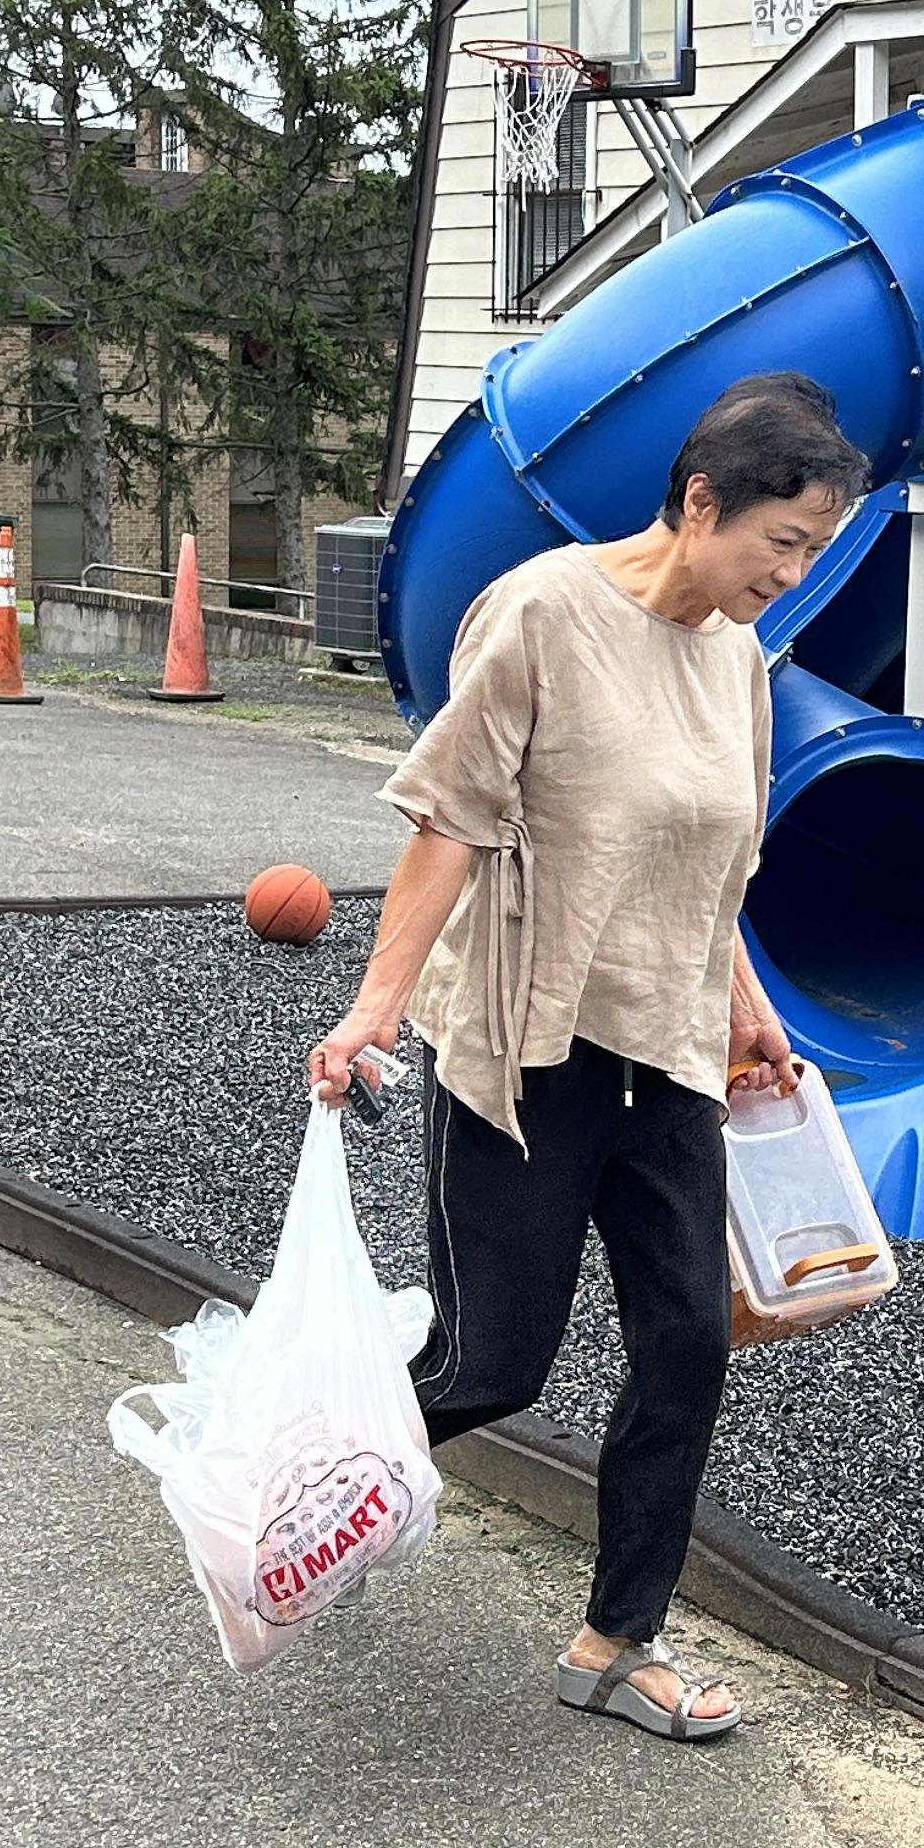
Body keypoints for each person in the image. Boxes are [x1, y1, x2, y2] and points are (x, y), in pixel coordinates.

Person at [311, 369, 869, 1743]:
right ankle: (294, 1492)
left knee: (687, 1348)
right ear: (701, 502)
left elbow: (712, 864)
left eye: (815, 549)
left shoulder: (738, 661)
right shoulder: (545, 613)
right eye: (782, 541)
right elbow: (450, 820)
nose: (792, 573)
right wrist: (375, 1008)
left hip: (666, 1057)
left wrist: (746, 1002)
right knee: (491, 1366)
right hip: (529, 1054)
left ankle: (620, 1642)